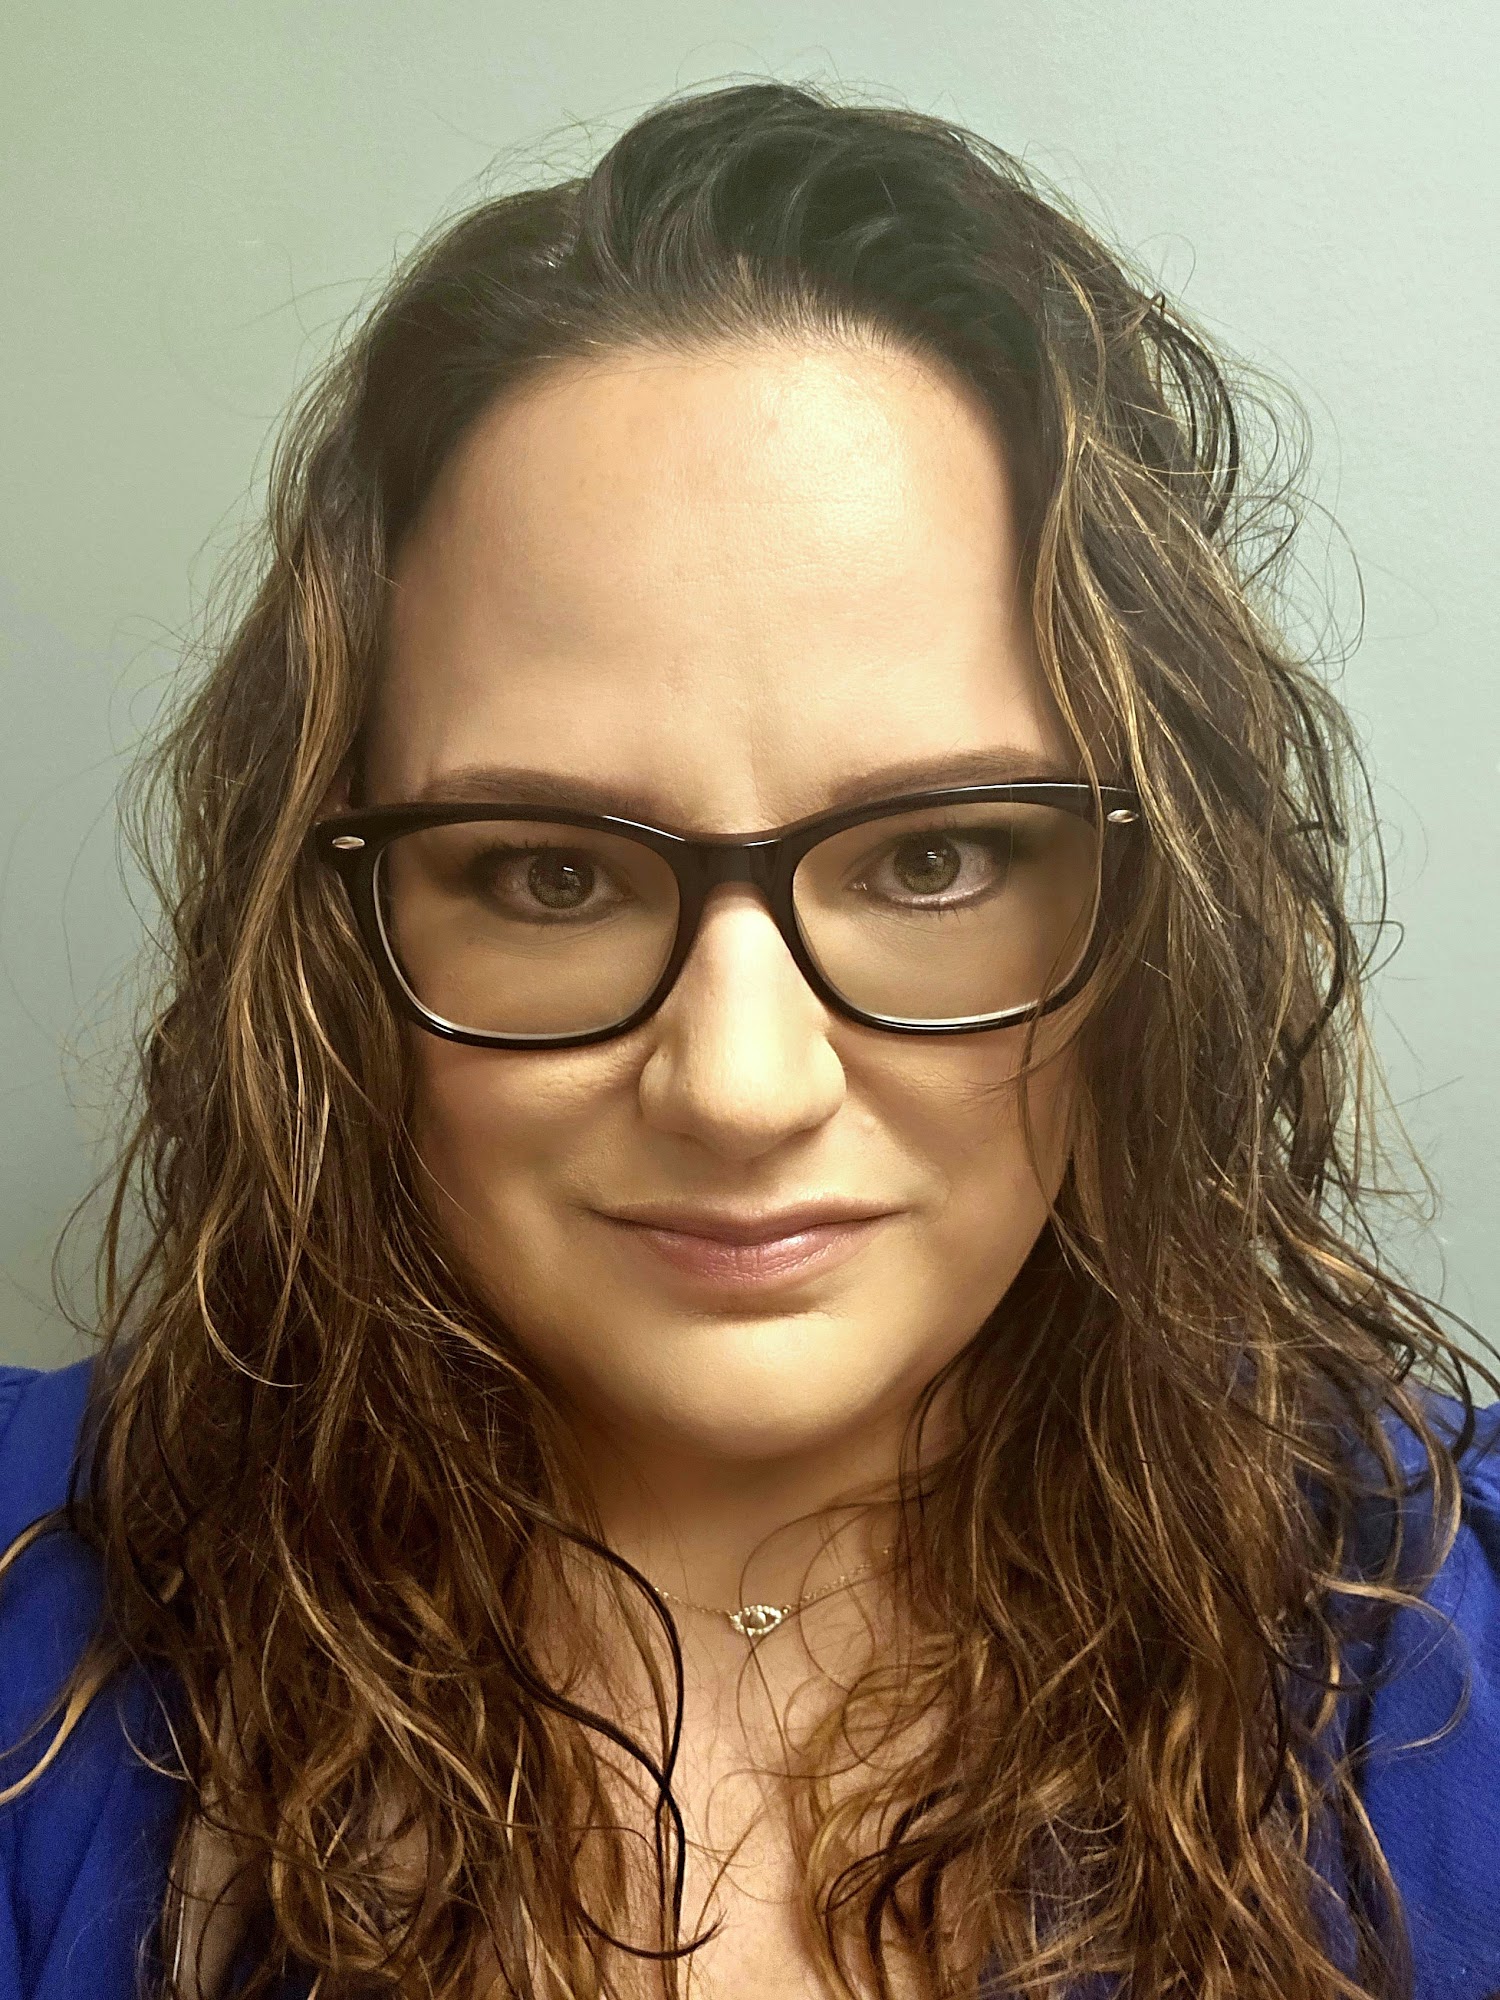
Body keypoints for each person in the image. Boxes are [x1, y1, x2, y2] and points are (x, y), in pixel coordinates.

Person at [0, 77, 1496, 2000]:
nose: (738, 1085)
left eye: (936, 858)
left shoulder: (1437, 1647)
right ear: (333, 929)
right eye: (549, 875)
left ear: (1158, 911)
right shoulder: (44, 1610)